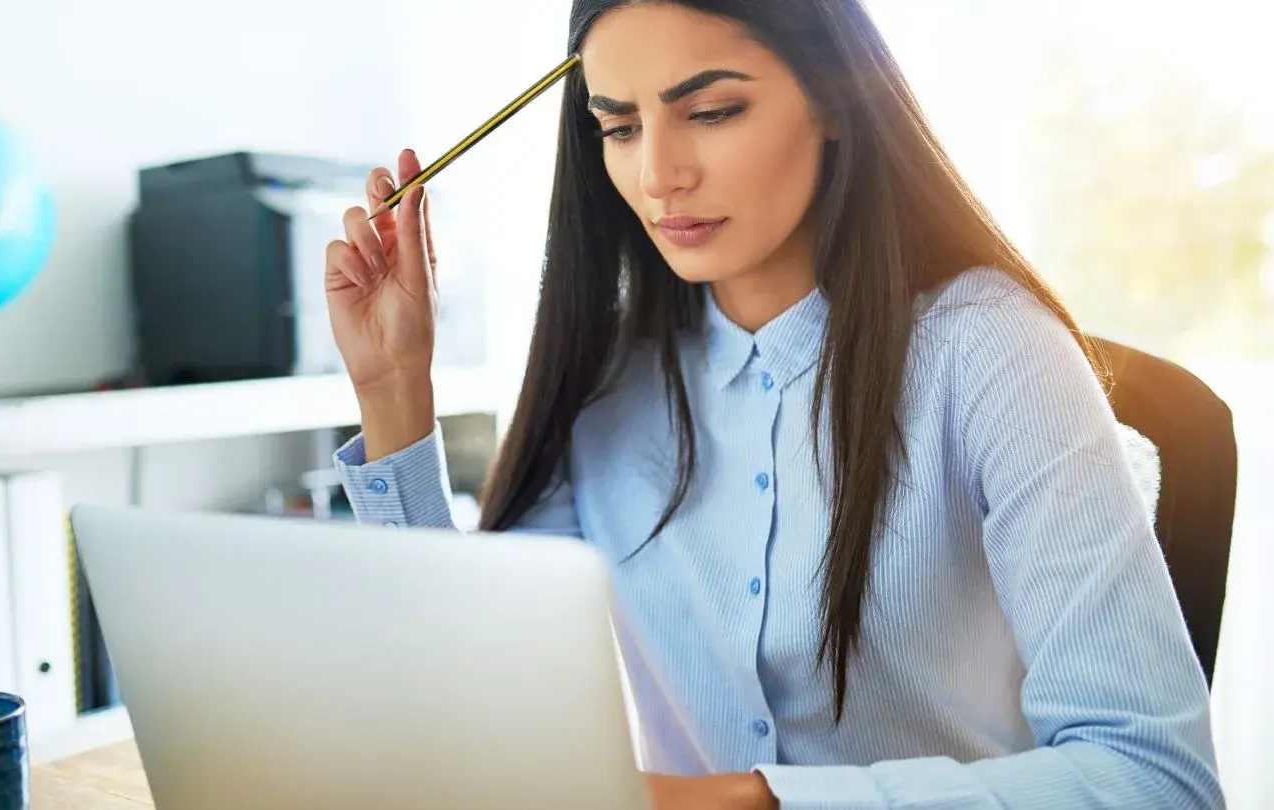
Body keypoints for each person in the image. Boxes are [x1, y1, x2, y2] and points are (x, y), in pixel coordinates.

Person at [323, 1, 1224, 808]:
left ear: (832, 98)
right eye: (620, 127)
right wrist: (393, 388)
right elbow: (470, 712)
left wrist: (749, 802)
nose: (659, 175)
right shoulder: (607, 384)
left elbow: (1154, 778)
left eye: (711, 112)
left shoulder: (990, 350)